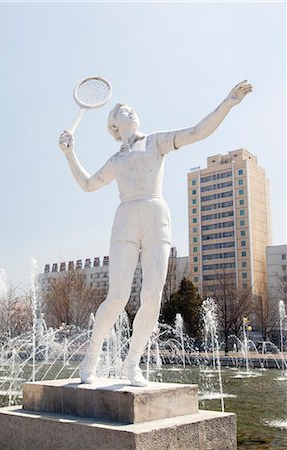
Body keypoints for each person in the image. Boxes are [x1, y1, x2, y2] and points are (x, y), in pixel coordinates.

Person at [59, 80, 252, 386]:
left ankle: (132, 362)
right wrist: (69, 154)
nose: (130, 110)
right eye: (122, 110)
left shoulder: (156, 142)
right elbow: (88, 184)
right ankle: (91, 357)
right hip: (125, 218)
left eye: (130, 108)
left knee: (152, 296)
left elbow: (197, 131)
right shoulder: (116, 159)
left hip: (156, 216)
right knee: (118, 296)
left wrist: (227, 102)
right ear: (113, 126)